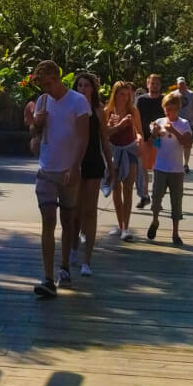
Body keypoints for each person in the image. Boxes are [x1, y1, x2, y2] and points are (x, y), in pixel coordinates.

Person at [27, 60, 92, 297]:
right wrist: (36, 123)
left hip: (68, 169)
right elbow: (34, 132)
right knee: (48, 220)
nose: (46, 89)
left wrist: (75, 167)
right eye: (42, 85)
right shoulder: (43, 101)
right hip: (46, 169)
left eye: (48, 83)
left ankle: (64, 266)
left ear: (57, 79)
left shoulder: (78, 101)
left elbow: (84, 137)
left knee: (67, 220)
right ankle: (47, 277)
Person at [72, 72, 108, 277]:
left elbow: (104, 138)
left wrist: (111, 165)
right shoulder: (72, 108)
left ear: (93, 89)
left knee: (90, 210)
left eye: (87, 85)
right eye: (80, 85)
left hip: (94, 160)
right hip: (76, 161)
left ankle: (87, 260)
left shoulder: (98, 110)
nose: (83, 89)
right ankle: (73, 247)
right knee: (75, 209)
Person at [145, 91, 193, 244]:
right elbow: (151, 144)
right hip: (160, 167)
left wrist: (174, 131)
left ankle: (175, 233)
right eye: (166, 108)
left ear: (177, 109)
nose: (168, 111)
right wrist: (154, 134)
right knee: (156, 198)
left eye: (171, 109)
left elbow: (187, 143)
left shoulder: (184, 123)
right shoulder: (159, 122)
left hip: (176, 169)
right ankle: (155, 220)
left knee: (176, 201)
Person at [103, 81, 144, 240]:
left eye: (128, 95)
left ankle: (126, 227)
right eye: (122, 94)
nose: (125, 98)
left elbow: (139, 131)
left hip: (129, 150)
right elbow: (104, 134)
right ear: (115, 95)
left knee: (128, 187)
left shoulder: (133, 111)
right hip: (114, 151)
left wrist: (139, 140)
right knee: (116, 188)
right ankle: (120, 224)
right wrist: (115, 125)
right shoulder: (108, 111)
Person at [133, 74, 164, 208]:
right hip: (143, 138)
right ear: (147, 84)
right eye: (152, 83)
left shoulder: (164, 100)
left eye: (157, 83)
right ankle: (144, 196)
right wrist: (139, 136)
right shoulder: (141, 100)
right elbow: (136, 118)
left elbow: (168, 119)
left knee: (158, 169)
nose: (154, 86)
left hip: (160, 139)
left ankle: (157, 198)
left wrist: (155, 135)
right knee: (143, 169)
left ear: (160, 85)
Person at [174, 77, 193, 166]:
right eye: (180, 84)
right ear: (177, 85)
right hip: (175, 122)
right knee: (175, 143)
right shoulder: (173, 94)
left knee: (187, 144)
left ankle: (186, 164)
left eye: (183, 84)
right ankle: (177, 163)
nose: (182, 86)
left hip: (188, 122)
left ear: (185, 84)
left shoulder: (191, 94)